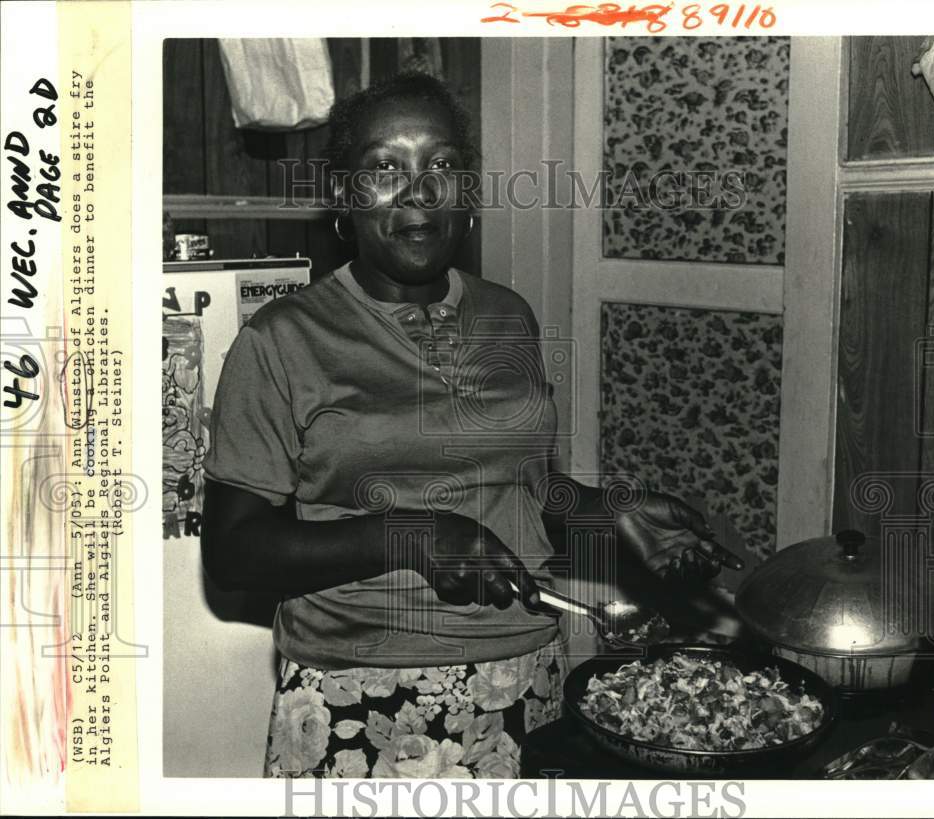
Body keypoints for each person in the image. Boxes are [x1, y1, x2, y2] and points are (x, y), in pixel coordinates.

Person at [200, 72, 740, 779]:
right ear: (343, 196)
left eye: (442, 165)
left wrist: (608, 511)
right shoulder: (281, 341)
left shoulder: (507, 316)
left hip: (529, 677)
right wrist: (410, 536)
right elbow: (234, 552)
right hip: (362, 696)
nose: (419, 191)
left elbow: (521, 486)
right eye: (384, 169)